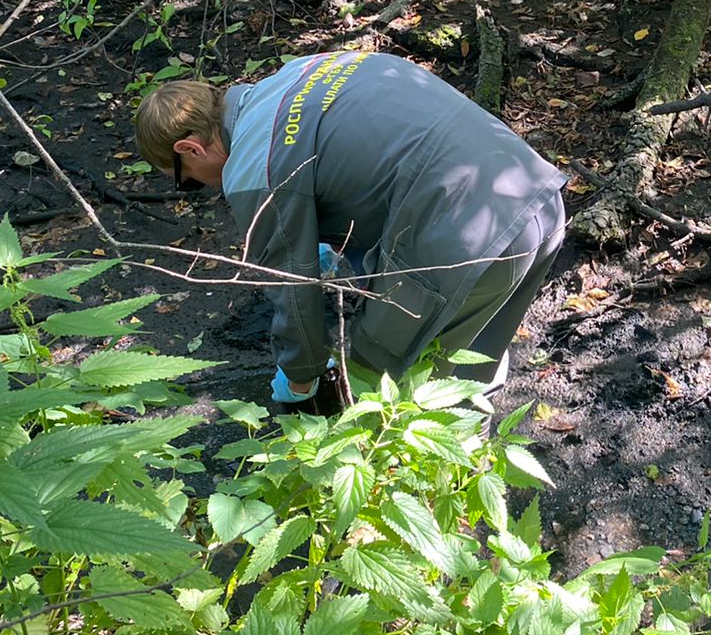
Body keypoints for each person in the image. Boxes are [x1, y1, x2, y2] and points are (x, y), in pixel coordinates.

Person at [134, 50, 567, 404]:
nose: (200, 187)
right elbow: (373, 158)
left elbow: (292, 292)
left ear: (189, 148)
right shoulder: (308, 68)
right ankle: (470, 483)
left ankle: (402, 498)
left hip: (470, 240)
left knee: (379, 376)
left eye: (188, 179)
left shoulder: (252, 166)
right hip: (538, 200)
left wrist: (300, 380)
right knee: (472, 370)